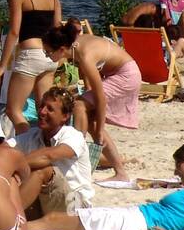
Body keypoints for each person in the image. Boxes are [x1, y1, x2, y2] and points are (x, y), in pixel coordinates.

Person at [26, 142, 184, 230]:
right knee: (55, 221)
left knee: (53, 221)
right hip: (133, 216)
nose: (176, 170)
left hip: (136, 222)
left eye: (179, 164)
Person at [40, 22, 137, 181]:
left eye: (49, 52)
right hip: (118, 72)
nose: (47, 56)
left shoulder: (84, 55)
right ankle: (120, 172)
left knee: (79, 106)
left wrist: (100, 128)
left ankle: (75, 150)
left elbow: (100, 97)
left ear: (62, 49)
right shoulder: (74, 46)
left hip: (126, 75)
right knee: (87, 117)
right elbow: (89, 85)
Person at [0, 0, 62, 133]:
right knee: (45, 112)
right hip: (50, 56)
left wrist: (3, 64)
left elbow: (14, 32)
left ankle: (26, 144)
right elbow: (57, 27)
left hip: (30, 53)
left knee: (13, 110)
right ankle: (45, 148)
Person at [15, 87, 94, 216]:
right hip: (47, 201)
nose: (42, 112)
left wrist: (11, 165)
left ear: (65, 116)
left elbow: (48, 156)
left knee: (43, 170)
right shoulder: (33, 135)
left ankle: (9, 218)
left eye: (50, 109)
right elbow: (6, 149)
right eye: (41, 106)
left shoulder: (73, 135)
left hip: (76, 206)